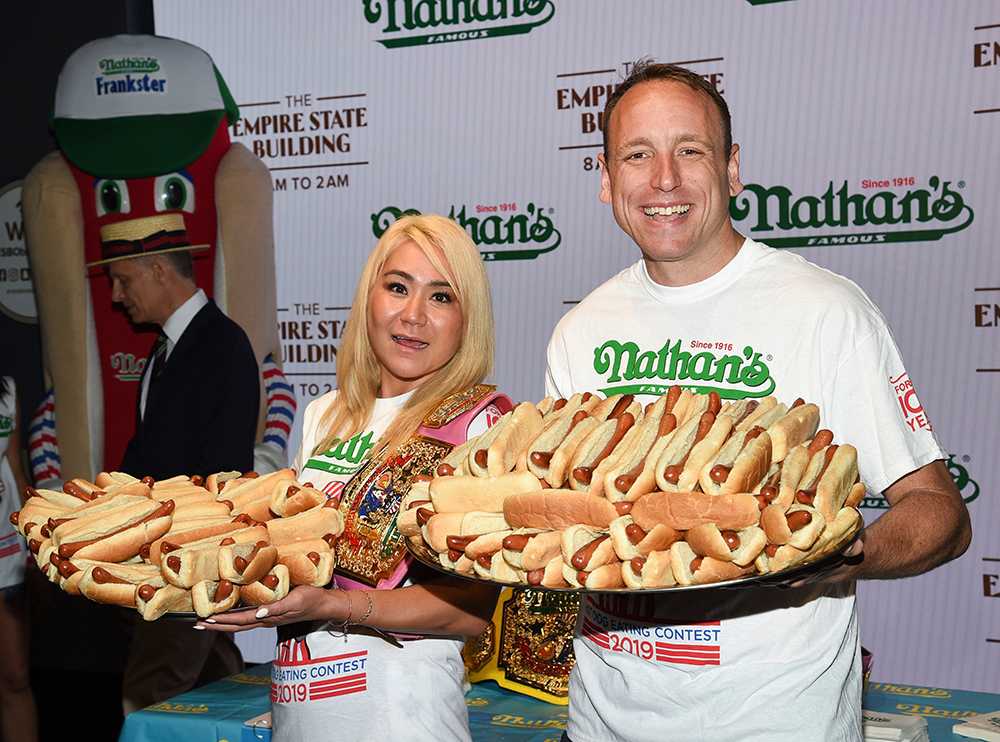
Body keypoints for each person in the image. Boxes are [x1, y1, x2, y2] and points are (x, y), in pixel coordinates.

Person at [544, 60, 972, 742]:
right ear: (605, 177)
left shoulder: (826, 311)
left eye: (690, 150)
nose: (664, 179)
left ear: (732, 167)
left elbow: (941, 514)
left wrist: (845, 552)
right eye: (637, 155)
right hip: (601, 724)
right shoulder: (580, 331)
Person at [198, 214, 504, 742]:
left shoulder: (479, 424)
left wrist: (336, 605)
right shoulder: (325, 414)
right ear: (370, 296)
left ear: (466, 318)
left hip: (403, 721)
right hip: (300, 713)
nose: (412, 315)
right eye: (398, 287)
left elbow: (472, 610)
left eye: (441, 297)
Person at [89, 213, 260, 713]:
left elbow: (224, 474)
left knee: (147, 698)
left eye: (122, 280)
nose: (117, 296)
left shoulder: (223, 346)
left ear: (159, 270)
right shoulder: (165, 349)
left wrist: (176, 556)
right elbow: (146, 456)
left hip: (189, 565)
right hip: (168, 562)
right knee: (223, 693)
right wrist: (99, 515)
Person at [0, 376, 38, 742]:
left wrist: (33, 546)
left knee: (15, 678)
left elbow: (14, 468)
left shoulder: (8, 390)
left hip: (6, 552)